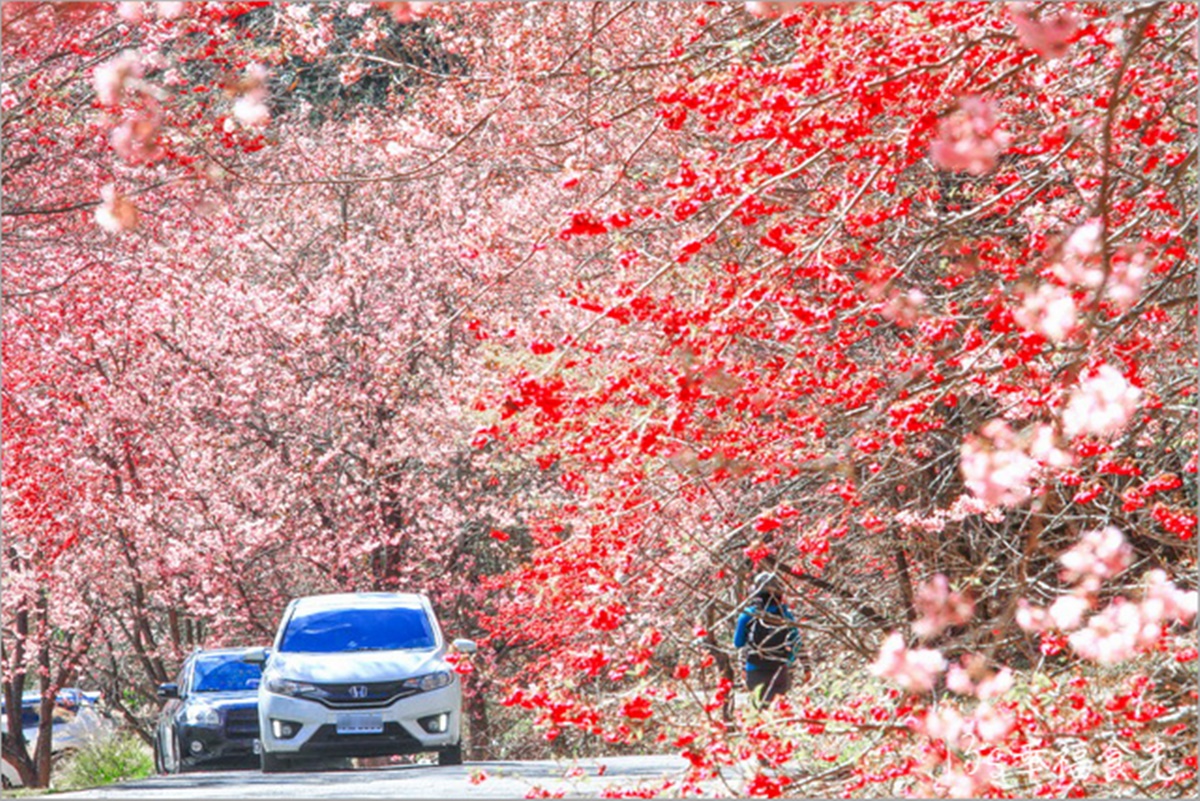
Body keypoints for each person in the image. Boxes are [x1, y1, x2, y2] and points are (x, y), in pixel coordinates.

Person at [733, 572, 810, 708]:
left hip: (754, 670)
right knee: (778, 712)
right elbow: (797, 642)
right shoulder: (786, 615)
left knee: (759, 713)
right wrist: (805, 667)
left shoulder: (747, 615)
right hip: (780, 669)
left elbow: (738, 643)